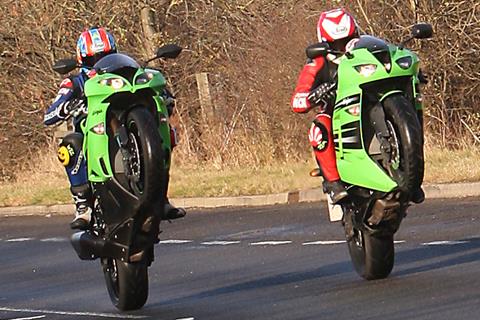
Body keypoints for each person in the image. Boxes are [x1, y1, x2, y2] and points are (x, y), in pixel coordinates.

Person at [44, 27, 185, 230]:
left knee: (168, 132)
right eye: (94, 59)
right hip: (92, 134)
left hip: (128, 122)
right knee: (70, 144)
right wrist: (67, 106)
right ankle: (83, 206)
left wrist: (165, 97)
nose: (100, 62)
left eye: (106, 57)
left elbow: (166, 95)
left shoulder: (129, 74)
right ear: (82, 60)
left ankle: (160, 194)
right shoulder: (74, 82)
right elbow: (49, 115)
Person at [291, 8, 359, 204]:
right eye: (337, 44)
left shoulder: (367, 48)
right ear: (325, 43)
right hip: (336, 110)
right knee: (318, 129)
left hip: (370, 102)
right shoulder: (317, 62)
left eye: (347, 40)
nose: (343, 47)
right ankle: (334, 183)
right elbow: (297, 99)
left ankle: (409, 167)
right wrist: (315, 95)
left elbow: (392, 58)